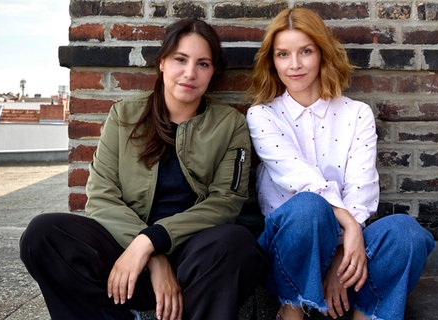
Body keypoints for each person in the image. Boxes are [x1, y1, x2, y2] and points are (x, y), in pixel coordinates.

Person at [20, 18, 266, 320]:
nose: (190, 73)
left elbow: (225, 202)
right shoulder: (124, 115)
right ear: (162, 62)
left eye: (203, 64)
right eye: (180, 59)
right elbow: (100, 197)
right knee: (44, 234)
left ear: (213, 72)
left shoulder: (229, 125)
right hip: (125, 256)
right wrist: (150, 254)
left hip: (195, 259)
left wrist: (154, 240)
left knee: (237, 244)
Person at [246, 7, 434, 320]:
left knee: (406, 233)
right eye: (282, 54)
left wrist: (341, 254)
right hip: (288, 259)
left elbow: (362, 188)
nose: (294, 65)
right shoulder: (262, 115)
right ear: (272, 61)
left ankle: (366, 314)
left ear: (322, 53)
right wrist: (346, 225)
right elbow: (301, 178)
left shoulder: (356, 114)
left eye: (305, 51)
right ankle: (292, 311)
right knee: (308, 207)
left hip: (349, 257)